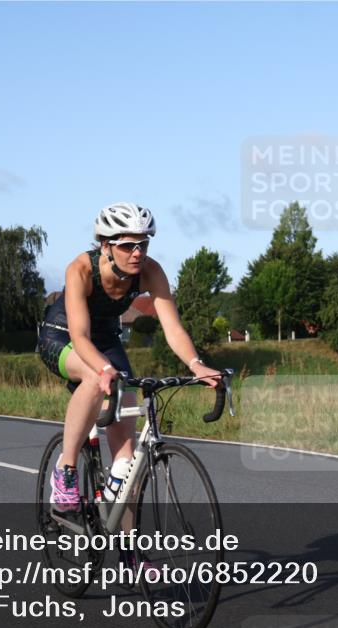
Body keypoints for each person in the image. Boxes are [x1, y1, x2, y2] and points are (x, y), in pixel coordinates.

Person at [37, 202, 221, 514]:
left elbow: (173, 329)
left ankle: (130, 557)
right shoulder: (81, 269)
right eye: (128, 245)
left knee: (128, 466)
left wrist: (196, 365)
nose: (138, 253)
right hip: (63, 336)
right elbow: (80, 337)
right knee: (97, 379)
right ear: (105, 245)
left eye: (144, 244)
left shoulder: (150, 271)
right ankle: (65, 470)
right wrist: (104, 368)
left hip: (106, 339)